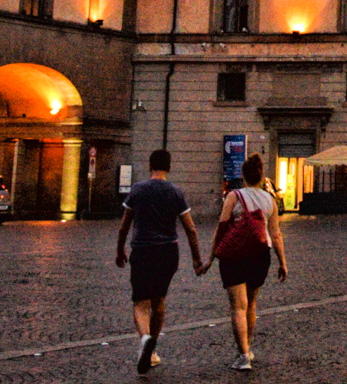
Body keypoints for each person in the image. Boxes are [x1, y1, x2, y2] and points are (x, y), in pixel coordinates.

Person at [116, 149, 204, 376]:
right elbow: (190, 228)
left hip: (143, 250)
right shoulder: (176, 192)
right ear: (169, 167)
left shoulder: (138, 190)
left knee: (140, 302)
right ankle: (152, 350)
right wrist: (196, 258)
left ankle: (145, 340)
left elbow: (125, 224)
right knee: (159, 301)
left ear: (150, 165)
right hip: (168, 252)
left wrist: (120, 250)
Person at [198, 153, 288, 372]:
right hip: (260, 255)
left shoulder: (234, 197)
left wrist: (210, 258)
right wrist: (282, 262)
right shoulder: (270, 200)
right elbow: (275, 234)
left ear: (243, 176)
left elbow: (221, 229)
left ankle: (243, 356)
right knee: (251, 304)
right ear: (261, 176)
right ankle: (248, 347)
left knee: (238, 307)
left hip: (235, 256)